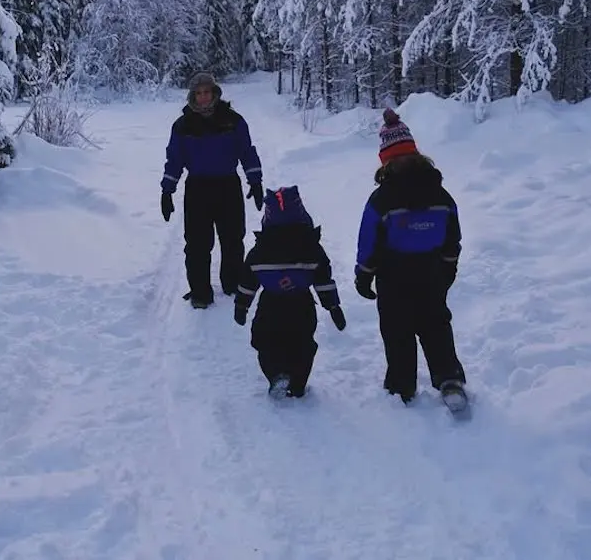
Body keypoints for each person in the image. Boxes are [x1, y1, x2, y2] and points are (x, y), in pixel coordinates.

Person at [354, 108, 468, 410]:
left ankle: (402, 386)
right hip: (431, 272)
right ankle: (450, 379)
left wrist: (364, 275)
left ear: (386, 160)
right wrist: (447, 269)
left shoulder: (381, 200)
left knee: (397, 329)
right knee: (436, 325)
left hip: (393, 276)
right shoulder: (441, 195)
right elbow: (451, 238)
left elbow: (369, 241)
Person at [161, 72, 265, 308]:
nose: (203, 97)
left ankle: (233, 283)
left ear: (215, 93)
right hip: (197, 188)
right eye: (198, 94)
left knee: (232, 239)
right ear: (192, 97)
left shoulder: (233, 120)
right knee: (197, 244)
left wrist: (255, 181)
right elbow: (175, 159)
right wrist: (167, 190)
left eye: (207, 92)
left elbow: (247, 151)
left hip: (228, 185)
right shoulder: (183, 125)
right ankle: (200, 292)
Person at [234, 186, 347, 399]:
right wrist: (333, 306)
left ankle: (276, 375)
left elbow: (248, 281)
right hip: (301, 304)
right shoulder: (312, 249)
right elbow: (323, 280)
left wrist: (242, 305)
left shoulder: (260, 251)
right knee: (302, 343)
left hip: (271, 304)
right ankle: (298, 382)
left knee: (265, 341)